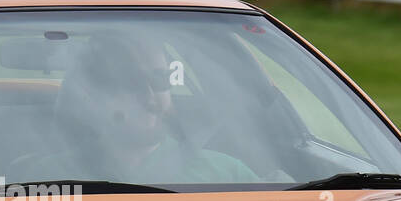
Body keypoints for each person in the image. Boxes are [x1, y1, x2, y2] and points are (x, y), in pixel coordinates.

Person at [17, 37, 257, 186]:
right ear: (94, 96)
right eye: (132, 82)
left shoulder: (227, 174)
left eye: (160, 79)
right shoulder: (48, 178)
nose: (150, 97)